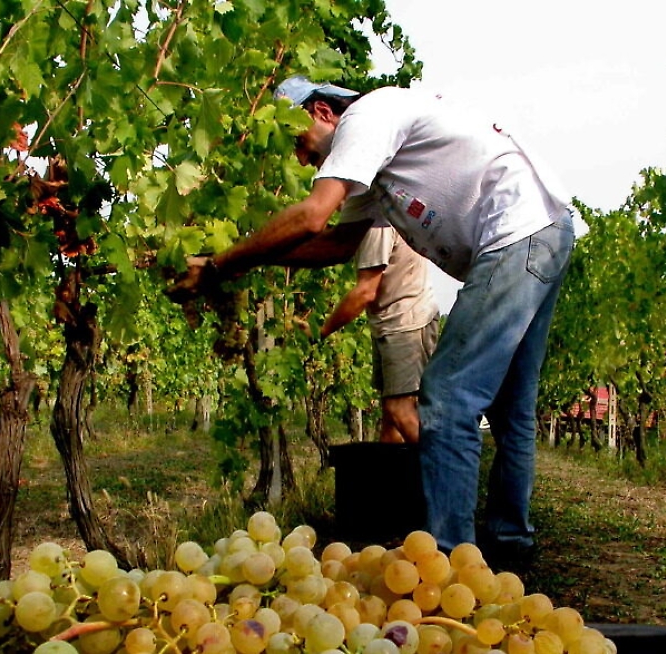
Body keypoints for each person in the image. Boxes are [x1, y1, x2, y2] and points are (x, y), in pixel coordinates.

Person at [169, 75, 578, 553]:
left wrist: (220, 266)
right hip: (541, 231)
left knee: (446, 399)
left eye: (297, 141)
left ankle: (448, 558)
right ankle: (510, 544)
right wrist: (252, 259)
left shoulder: (365, 117)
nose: (301, 159)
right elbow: (336, 244)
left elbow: (312, 216)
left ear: (321, 112)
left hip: (516, 234)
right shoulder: (378, 168)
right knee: (511, 410)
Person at [319, 223, 439, 444]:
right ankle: (390, 479)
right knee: (390, 422)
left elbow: (365, 292)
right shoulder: (377, 212)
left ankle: (447, 476)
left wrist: (321, 331)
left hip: (406, 323)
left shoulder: (378, 223)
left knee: (400, 411)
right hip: (391, 323)